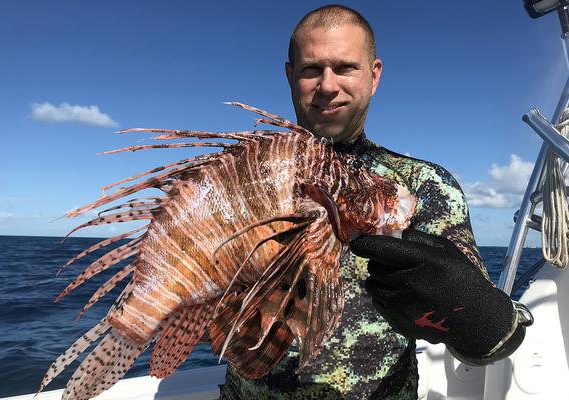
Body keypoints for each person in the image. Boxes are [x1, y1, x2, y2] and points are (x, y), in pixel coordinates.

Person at [219, 5, 533, 399]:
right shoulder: (241, 179)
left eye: (345, 67)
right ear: (290, 76)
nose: (328, 85)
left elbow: (491, 342)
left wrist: (475, 314)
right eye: (311, 69)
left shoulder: (422, 185)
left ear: (374, 75)